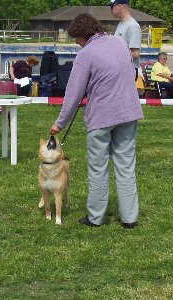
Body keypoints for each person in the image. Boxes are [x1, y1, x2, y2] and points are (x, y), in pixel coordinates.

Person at [49, 13, 143, 228]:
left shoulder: (86, 55)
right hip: (129, 112)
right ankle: (130, 219)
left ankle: (96, 217)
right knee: (126, 167)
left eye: (77, 39)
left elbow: (73, 94)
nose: (78, 44)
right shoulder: (120, 44)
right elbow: (130, 73)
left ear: (82, 35)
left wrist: (59, 123)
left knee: (98, 168)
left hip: (101, 117)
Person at [108, 0, 141, 80]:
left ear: (119, 6)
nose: (110, 10)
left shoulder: (133, 26)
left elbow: (135, 54)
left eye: (112, 7)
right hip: (121, 70)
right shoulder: (121, 24)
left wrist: (113, 58)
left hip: (128, 71)